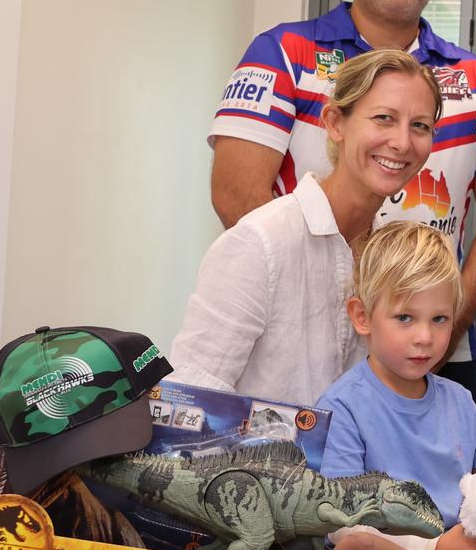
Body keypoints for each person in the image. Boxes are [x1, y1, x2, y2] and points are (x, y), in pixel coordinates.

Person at [209, 0, 476, 429]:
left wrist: (442, 323)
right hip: (308, 343)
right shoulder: (283, 53)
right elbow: (237, 196)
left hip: (435, 356)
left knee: (448, 507)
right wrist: (337, 313)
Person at [170, 49, 441, 405]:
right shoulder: (260, 243)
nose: (403, 142)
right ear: (334, 123)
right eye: (384, 118)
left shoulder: (391, 257)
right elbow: (186, 403)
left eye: (419, 125)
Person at [316, 221, 476, 550]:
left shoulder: (459, 401)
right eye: (405, 318)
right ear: (362, 317)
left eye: (439, 318)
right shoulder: (342, 407)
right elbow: (340, 525)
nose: (425, 337)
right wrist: (435, 549)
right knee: (355, 540)